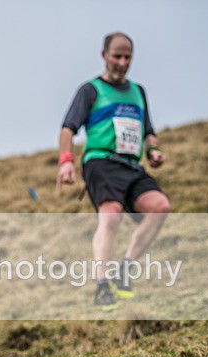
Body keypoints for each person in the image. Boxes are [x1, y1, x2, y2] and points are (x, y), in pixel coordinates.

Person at [56, 32, 170, 310]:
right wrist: (67, 160)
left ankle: (125, 267)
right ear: (104, 56)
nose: (121, 62)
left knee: (160, 207)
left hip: (132, 164)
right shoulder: (90, 90)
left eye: (127, 57)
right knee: (111, 215)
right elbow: (68, 128)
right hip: (101, 162)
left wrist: (153, 151)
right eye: (116, 56)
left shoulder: (138, 92)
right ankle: (102, 285)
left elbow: (149, 132)